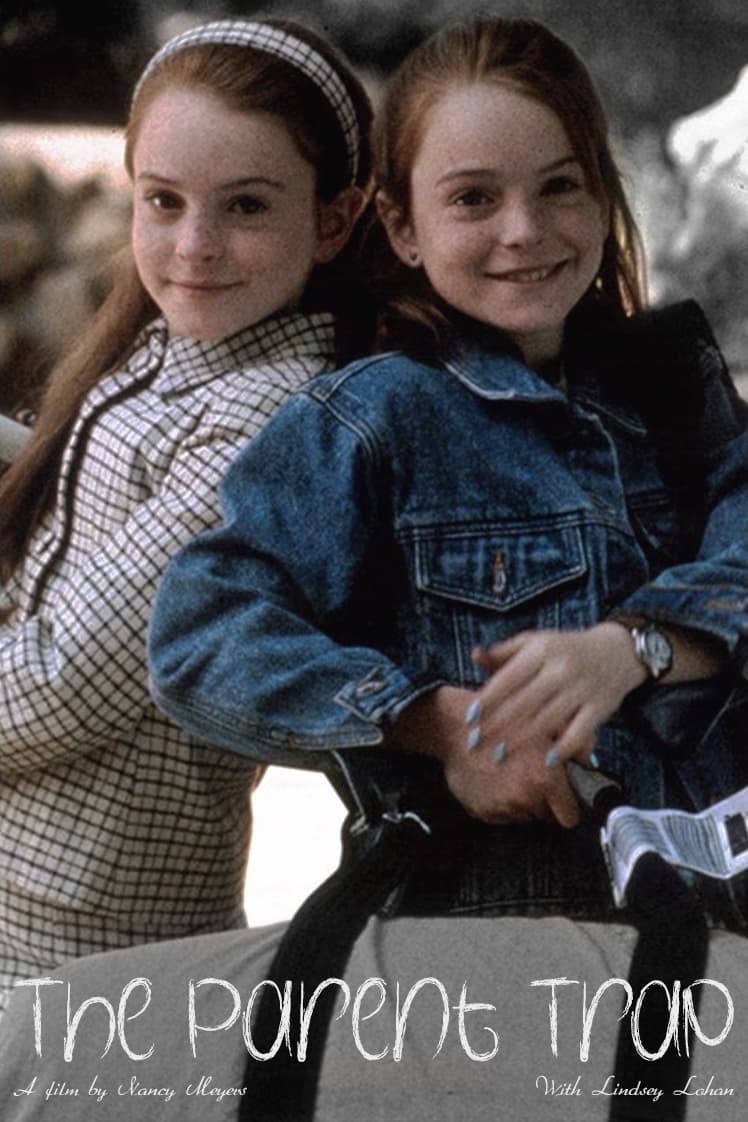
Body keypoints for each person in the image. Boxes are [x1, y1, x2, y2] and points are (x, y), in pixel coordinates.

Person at [148, 14, 748, 921]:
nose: (524, 230)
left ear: (603, 195)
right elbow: (202, 633)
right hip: (490, 944)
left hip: (717, 931)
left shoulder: (673, 390)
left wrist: (637, 647)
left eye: (560, 187)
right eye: (473, 198)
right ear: (402, 226)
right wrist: (439, 725)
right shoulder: (374, 418)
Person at [0, 17, 371, 1012]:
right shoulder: (178, 351)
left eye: (245, 206)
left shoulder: (269, 418)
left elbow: (65, 684)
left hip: (86, 935)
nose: (194, 246)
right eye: (163, 201)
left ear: (333, 221)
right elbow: (72, 526)